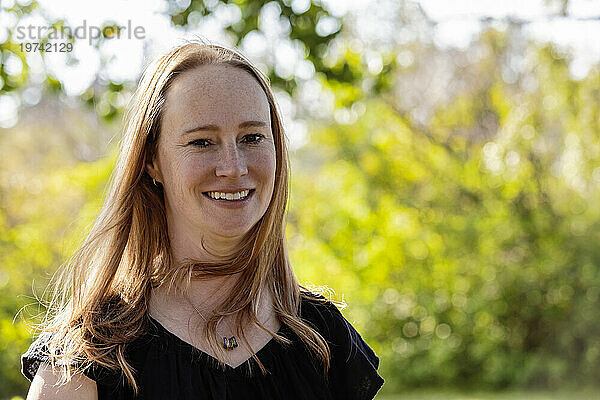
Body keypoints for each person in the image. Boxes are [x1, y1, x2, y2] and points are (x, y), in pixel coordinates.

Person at [21, 40, 384, 400]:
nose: (234, 167)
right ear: (152, 162)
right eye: (202, 142)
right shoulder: (85, 357)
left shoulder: (324, 338)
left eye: (252, 137)